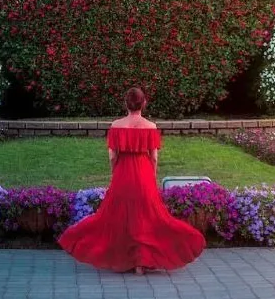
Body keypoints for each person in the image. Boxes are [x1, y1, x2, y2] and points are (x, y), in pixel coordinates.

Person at [57, 86, 206, 273]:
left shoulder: (116, 126)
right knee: (148, 216)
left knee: (117, 216)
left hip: (123, 173)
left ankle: (123, 257)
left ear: (125, 104)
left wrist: (116, 172)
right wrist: (151, 175)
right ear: (144, 103)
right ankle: (141, 262)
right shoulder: (151, 127)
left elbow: (112, 156)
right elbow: (154, 157)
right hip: (144, 174)